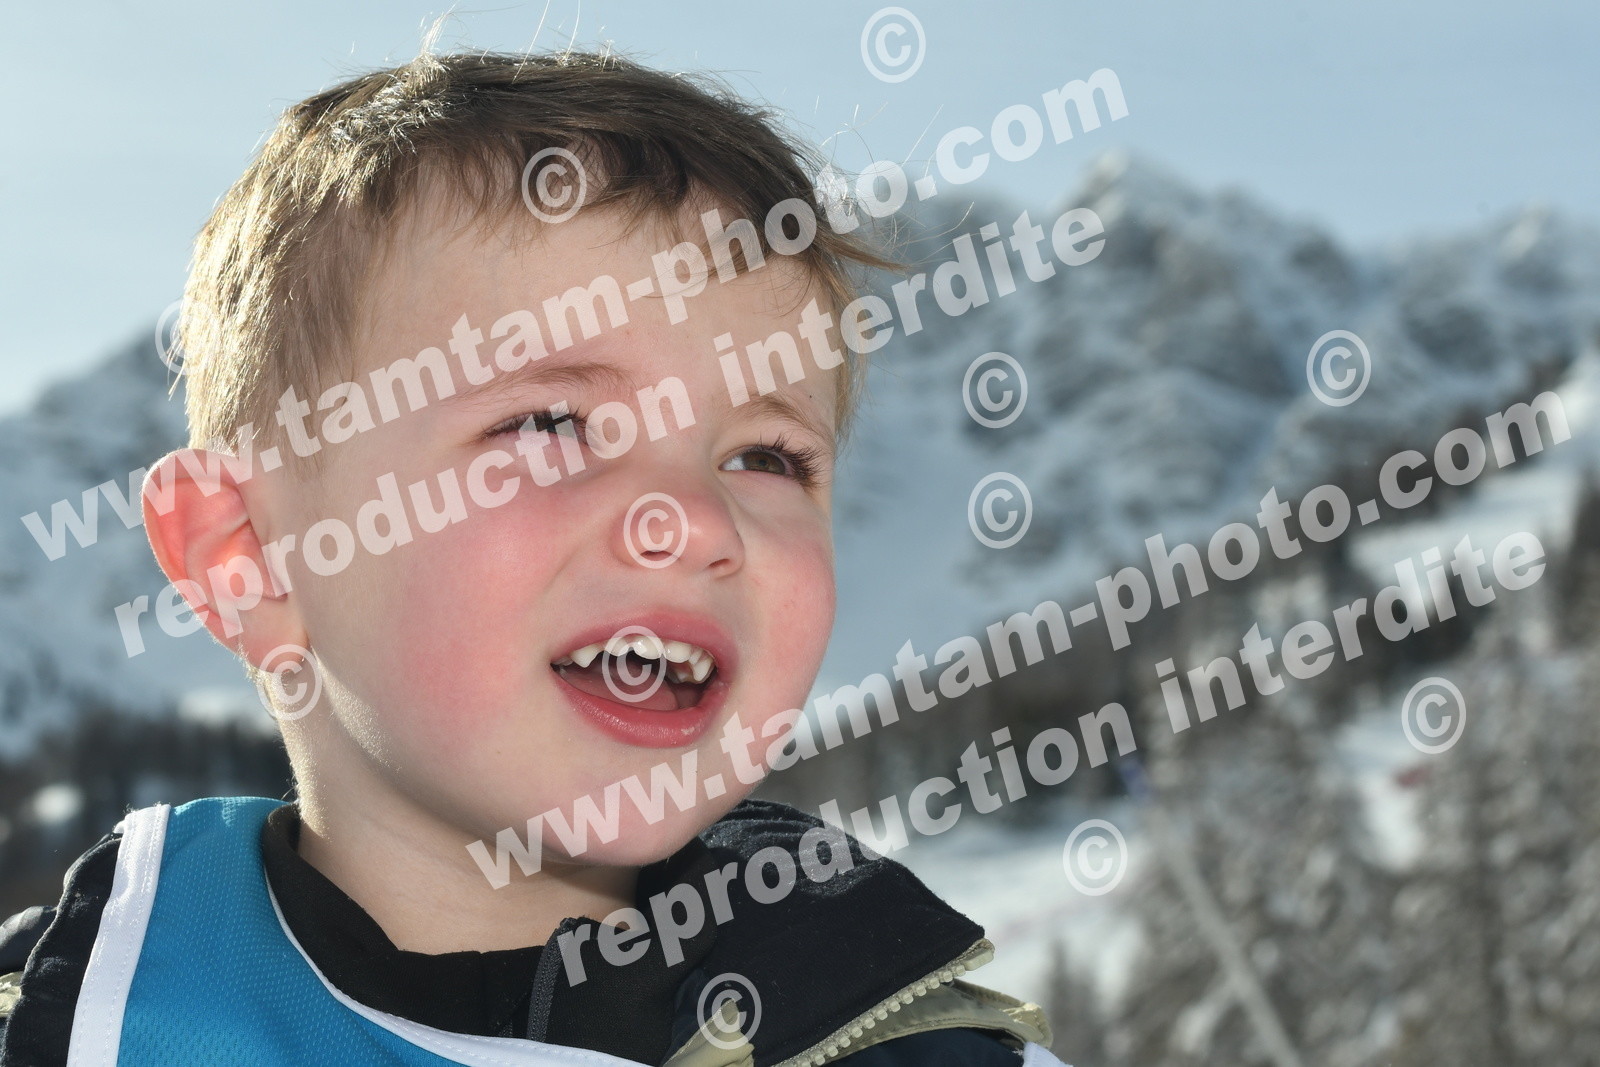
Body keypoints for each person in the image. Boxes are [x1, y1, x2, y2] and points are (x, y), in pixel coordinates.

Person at [0, 47, 1069, 1066]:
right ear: (249, 557)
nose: (697, 520)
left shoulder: (920, 1042)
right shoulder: (81, 1022)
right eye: (550, 423)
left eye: (765, 455)